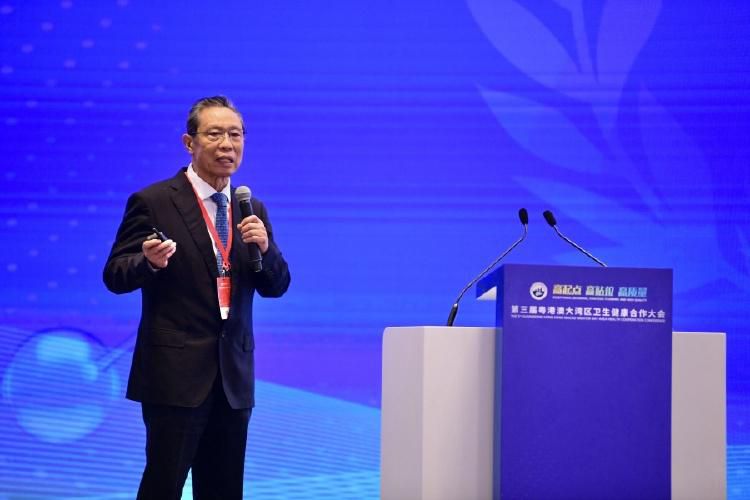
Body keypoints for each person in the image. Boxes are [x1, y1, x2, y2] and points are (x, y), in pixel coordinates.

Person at [103, 95, 291, 499]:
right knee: (163, 487)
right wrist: (148, 262)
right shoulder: (154, 202)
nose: (227, 145)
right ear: (189, 142)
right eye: (215, 134)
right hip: (174, 375)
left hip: (233, 378)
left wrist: (266, 249)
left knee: (224, 490)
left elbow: (276, 286)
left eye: (235, 135)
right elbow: (115, 275)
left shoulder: (250, 208)